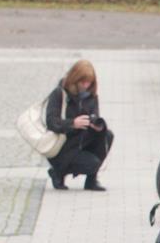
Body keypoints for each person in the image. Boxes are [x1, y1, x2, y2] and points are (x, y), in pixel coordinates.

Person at [45, 59, 113, 191]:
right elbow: (51, 122)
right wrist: (72, 123)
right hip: (63, 145)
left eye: (89, 82)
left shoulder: (91, 96)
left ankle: (91, 180)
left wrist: (97, 126)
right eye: (83, 82)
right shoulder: (60, 94)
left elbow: (95, 116)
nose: (86, 85)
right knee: (92, 164)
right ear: (75, 79)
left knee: (107, 135)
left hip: (82, 141)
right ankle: (58, 172)